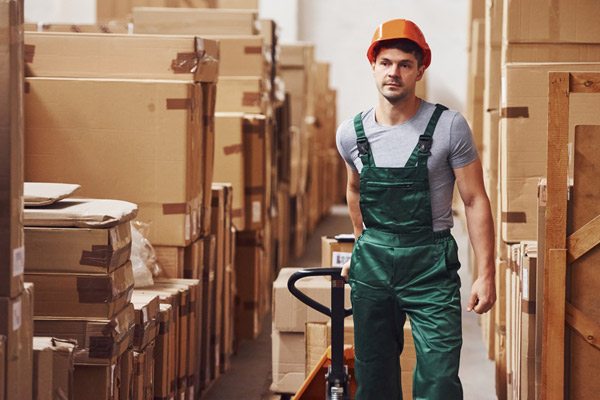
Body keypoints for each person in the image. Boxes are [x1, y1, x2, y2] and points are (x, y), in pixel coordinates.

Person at [336, 19, 496, 400]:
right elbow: (355, 190)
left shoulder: (449, 126)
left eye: (405, 64)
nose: (394, 72)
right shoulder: (350, 132)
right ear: (373, 66)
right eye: (386, 62)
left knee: (439, 381)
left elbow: (474, 200)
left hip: (431, 267)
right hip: (373, 267)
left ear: (420, 70)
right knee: (373, 381)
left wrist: (486, 274)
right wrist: (361, 246)